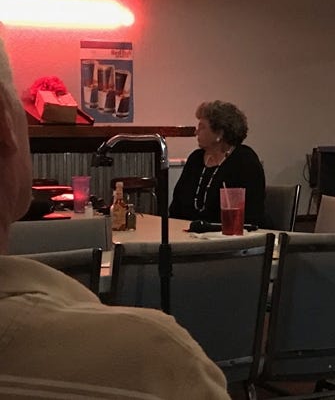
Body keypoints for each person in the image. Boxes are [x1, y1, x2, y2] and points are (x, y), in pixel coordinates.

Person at [0, 28, 230, 398]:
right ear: (5, 128)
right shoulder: (152, 360)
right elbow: (179, 206)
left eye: (201, 126)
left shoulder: (241, 162)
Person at [170, 100, 266, 226]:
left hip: (231, 239)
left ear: (219, 134)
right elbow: (175, 208)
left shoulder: (244, 161)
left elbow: (250, 215)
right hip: (189, 237)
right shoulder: (195, 159)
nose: (196, 132)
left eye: (202, 127)